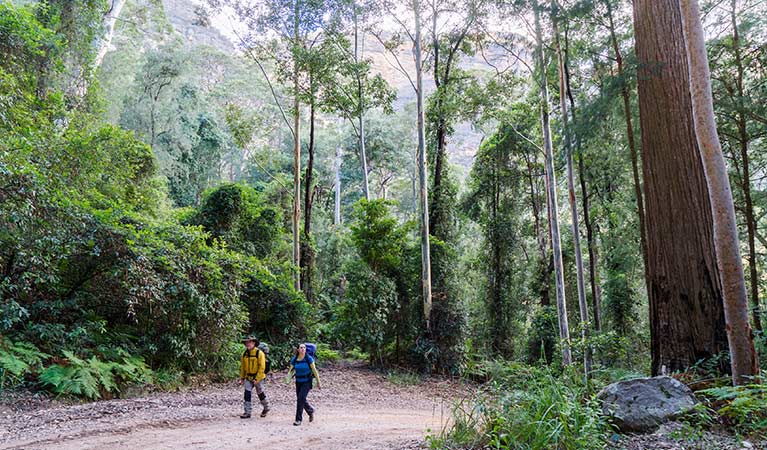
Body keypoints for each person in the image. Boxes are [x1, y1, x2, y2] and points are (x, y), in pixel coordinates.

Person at [286, 343, 321, 426]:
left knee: (300, 399)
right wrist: (287, 380)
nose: (303, 349)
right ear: (298, 349)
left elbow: (314, 370)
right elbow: (291, 370)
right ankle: (310, 410)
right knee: (301, 399)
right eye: (301, 348)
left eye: (304, 348)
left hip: (307, 381)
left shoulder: (308, 358)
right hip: (298, 381)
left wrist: (318, 382)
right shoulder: (294, 359)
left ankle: (298, 419)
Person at [239, 335, 270, 419]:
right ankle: (247, 412)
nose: (247, 344)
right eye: (246, 343)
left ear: (254, 343)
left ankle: (266, 407)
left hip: (258, 377)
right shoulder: (244, 354)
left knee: (260, 393)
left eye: (249, 342)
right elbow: (243, 367)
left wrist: (257, 379)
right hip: (248, 377)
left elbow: (262, 367)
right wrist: (242, 378)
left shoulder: (259, 353)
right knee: (247, 393)